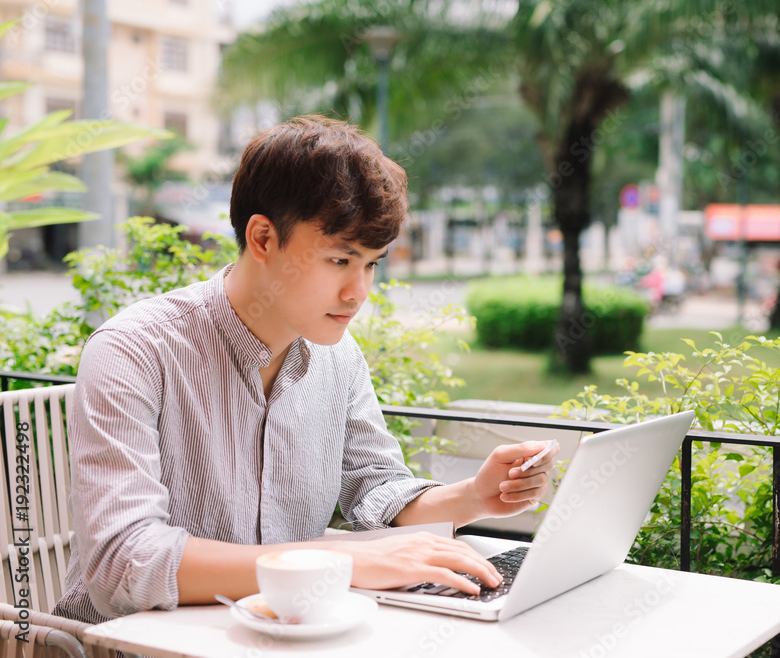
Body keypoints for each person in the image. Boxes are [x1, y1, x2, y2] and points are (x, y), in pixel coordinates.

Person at [54, 115, 557, 624]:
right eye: (340, 260)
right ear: (264, 238)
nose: (358, 293)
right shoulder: (135, 351)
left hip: (277, 637)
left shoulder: (337, 355)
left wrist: (472, 497)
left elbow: (375, 486)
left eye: (372, 264)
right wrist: (335, 561)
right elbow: (123, 561)